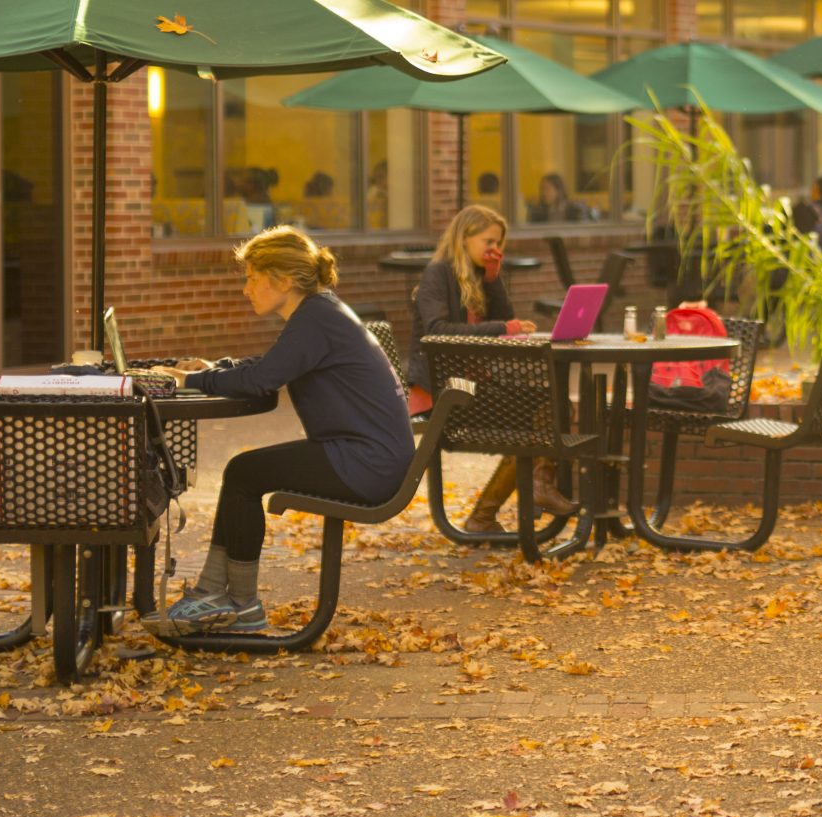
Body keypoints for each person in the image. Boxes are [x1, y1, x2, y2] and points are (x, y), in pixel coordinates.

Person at [145, 228, 413, 637]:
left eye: (253, 277)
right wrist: (213, 369)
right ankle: (217, 593)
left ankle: (239, 603)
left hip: (365, 464)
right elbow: (276, 364)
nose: (245, 288)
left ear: (283, 281)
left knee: (244, 473)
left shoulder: (316, 317)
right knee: (244, 472)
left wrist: (188, 381)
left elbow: (263, 379)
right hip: (369, 456)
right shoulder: (320, 312)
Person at [408, 205, 567, 526]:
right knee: (534, 420)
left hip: (473, 387)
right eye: (488, 242)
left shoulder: (480, 277)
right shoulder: (438, 274)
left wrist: (494, 280)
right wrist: (501, 328)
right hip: (444, 392)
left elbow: (505, 319)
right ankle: (491, 512)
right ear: (463, 238)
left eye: (499, 244)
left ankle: (526, 492)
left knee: (556, 406)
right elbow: (437, 331)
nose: (495, 250)